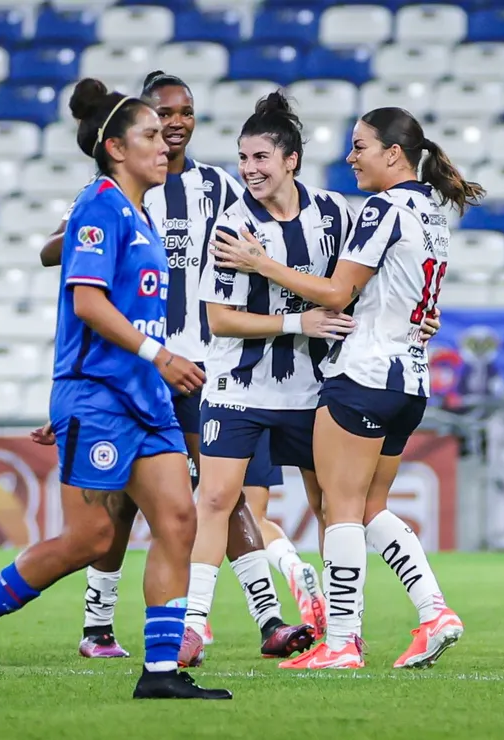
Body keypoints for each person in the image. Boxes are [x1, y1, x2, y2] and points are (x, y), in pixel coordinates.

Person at [0, 78, 231, 700]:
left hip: (145, 398)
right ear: (115, 147)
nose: (163, 145)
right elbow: (88, 302)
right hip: (100, 395)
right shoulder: (97, 205)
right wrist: (159, 355)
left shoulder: (141, 214)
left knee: (178, 520)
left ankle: (162, 672)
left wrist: (155, 365)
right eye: (150, 134)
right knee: (91, 539)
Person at [38, 70, 325, 659]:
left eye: (185, 113)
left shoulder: (217, 187)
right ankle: (97, 626)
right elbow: (52, 252)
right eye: (163, 113)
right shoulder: (114, 195)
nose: (175, 123)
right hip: (136, 364)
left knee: (223, 494)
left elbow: (270, 220)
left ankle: (268, 620)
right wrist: (81, 232)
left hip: (199, 364)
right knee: (116, 501)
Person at [212, 106, 483, 669]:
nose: (350, 157)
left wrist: (261, 263)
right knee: (367, 507)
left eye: (360, 146)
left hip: (363, 375)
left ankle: (342, 643)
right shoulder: (432, 209)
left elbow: (336, 294)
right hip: (410, 380)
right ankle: (433, 610)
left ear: (393, 154)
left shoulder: (384, 206)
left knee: (338, 509)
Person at [178, 91, 356, 667]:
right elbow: (219, 318)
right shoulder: (231, 227)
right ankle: (195, 627)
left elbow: (358, 286)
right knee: (215, 500)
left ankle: (341, 628)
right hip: (238, 390)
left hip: (315, 391)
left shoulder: (333, 213)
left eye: (261, 158)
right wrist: (297, 321)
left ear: (292, 160)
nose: (250, 170)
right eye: (243, 158)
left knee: (330, 507)